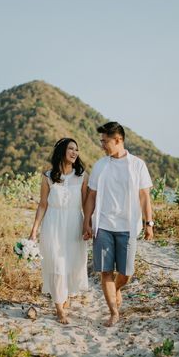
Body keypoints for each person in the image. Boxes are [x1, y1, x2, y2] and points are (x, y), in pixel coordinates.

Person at [83, 122, 155, 327]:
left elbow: (144, 196)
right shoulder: (100, 165)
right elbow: (91, 196)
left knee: (126, 273)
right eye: (102, 141)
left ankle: (116, 289)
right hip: (103, 225)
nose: (102, 145)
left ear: (118, 140)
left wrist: (149, 223)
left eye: (105, 141)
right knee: (105, 271)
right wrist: (86, 222)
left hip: (128, 226)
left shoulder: (137, 165)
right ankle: (113, 311)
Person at [29, 138, 89, 324]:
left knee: (71, 263)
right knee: (56, 264)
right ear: (62, 151)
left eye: (77, 150)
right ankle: (59, 309)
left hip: (74, 223)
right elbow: (42, 204)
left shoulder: (82, 176)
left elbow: (87, 204)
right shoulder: (48, 176)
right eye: (71, 149)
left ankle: (66, 297)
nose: (74, 152)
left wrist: (88, 224)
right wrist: (34, 230)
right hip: (53, 224)